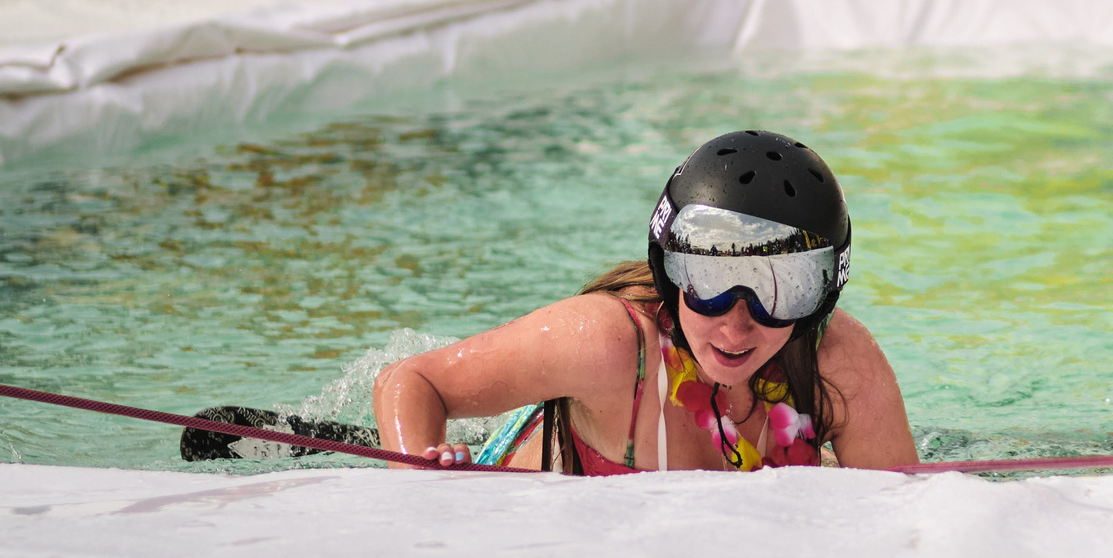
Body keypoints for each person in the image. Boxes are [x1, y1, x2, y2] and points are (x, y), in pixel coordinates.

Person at [372, 130, 916, 472]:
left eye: (783, 289)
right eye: (707, 281)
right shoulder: (607, 345)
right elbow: (410, 381)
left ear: (819, 300)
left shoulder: (836, 364)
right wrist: (420, 483)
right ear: (669, 272)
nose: (736, 327)